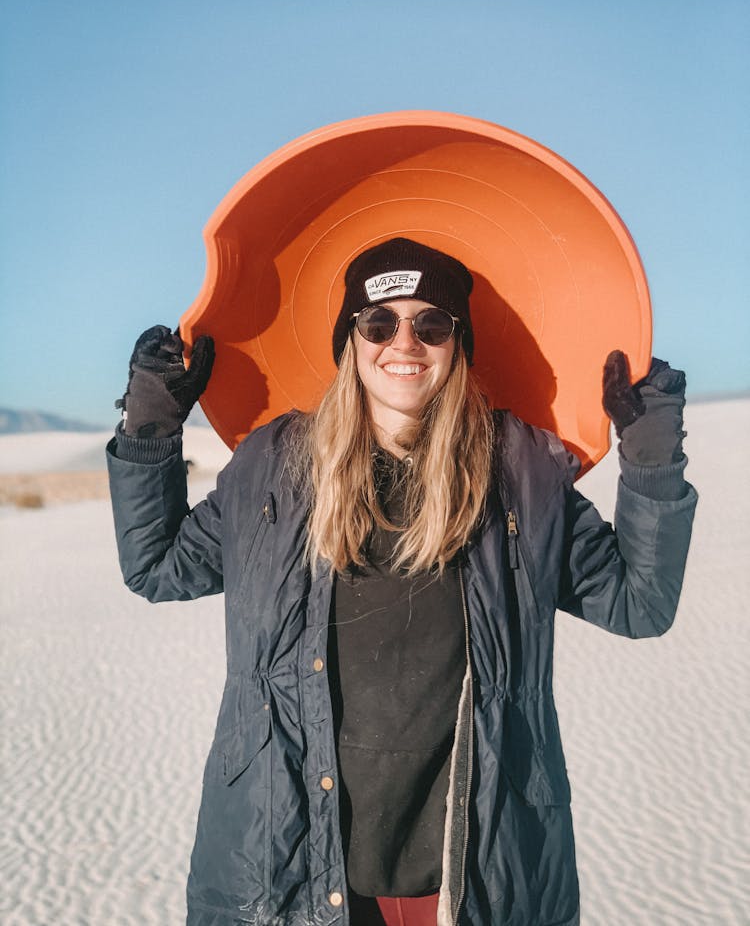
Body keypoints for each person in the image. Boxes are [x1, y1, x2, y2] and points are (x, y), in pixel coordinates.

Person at [107, 238, 697, 926]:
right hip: (290, 860)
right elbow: (157, 566)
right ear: (351, 342)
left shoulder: (521, 473)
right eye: (379, 323)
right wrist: (148, 428)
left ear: (458, 344)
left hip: (474, 869)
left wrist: (653, 463)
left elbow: (639, 603)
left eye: (432, 324)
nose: (404, 343)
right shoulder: (275, 466)